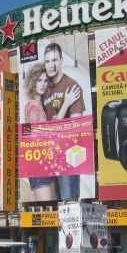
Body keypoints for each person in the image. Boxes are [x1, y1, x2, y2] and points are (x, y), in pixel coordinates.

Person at [43, 42, 84, 200]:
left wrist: (54, 123)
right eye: (47, 61)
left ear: (61, 61)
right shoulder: (45, 90)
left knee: (69, 201)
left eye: (54, 60)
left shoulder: (71, 86)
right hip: (48, 155)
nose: (51, 65)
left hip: (68, 155)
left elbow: (76, 127)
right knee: (55, 203)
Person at [24, 63, 54, 201]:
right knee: (46, 210)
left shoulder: (40, 105)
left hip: (44, 161)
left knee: (50, 208)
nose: (43, 84)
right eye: (39, 80)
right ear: (32, 82)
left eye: (45, 80)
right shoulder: (32, 106)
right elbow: (31, 136)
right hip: (38, 162)